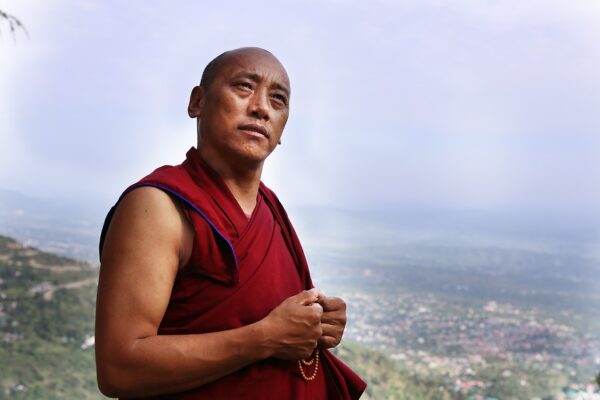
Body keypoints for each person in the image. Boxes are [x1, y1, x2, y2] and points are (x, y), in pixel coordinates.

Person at [95, 47, 366, 399]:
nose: (261, 107)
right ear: (197, 102)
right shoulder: (160, 206)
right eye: (244, 86)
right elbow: (119, 369)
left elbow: (272, 316)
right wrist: (265, 337)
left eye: (278, 99)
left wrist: (318, 324)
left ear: (282, 128)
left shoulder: (270, 208)